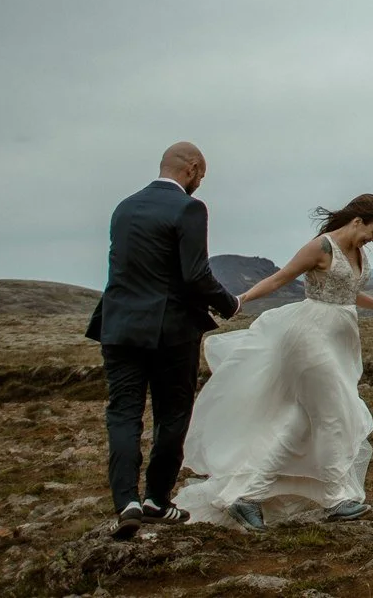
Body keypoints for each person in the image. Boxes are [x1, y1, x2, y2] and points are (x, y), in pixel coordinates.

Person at [173, 194, 373, 529]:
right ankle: (334, 498)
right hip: (310, 337)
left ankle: (248, 496)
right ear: (358, 221)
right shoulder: (321, 248)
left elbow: (347, 290)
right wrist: (240, 301)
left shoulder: (355, 251)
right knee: (334, 415)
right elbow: (279, 278)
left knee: (302, 420)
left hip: (340, 340)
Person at [86, 141, 243, 538]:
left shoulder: (124, 207)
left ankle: (127, 503)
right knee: (172, 413)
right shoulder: (189, 208)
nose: (200, 185)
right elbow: (195, 274)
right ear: (191, 168)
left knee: (123, 413)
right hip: (170, 330)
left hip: (118, 326)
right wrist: (228, 304)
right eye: (202, 177)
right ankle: (157, 498)